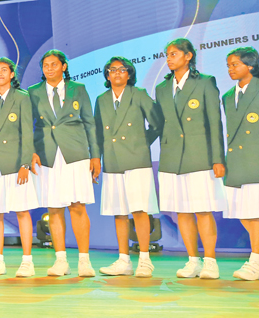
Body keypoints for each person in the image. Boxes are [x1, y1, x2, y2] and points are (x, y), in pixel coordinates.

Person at [155, 38, 225, 279]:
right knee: (181, 211)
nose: (169, 58)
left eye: (174, 53)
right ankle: (192, 260)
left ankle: (211, 262)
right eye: (167, 54)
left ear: (188, 56)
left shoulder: (205, 83)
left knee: (202, 210)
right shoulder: (162, 88)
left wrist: (218, 158)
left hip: (199, 155)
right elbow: (159, 123)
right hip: (171, 158)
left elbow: (214, 123)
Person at [27, 50, 100, 277]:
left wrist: (95, 155)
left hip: (75, 153)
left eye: (54, 64)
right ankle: (60, 260)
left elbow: (90, 123)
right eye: (45, 65)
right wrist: (30, 152)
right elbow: (26, 125)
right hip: (46, 154)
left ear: (64, 67)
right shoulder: (32, 92)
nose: (49, 68)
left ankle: (84, 260)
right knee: (54, 207)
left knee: (77, 206)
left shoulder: (78, 89)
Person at [94, 57, 163, 277]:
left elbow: (157, 123)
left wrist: (140, 142)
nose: (116, 73)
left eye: (121, 70)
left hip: (136, 160)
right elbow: (96, 133)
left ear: (129, 74)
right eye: (111, 70)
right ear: (107, 75)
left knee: (140, 210)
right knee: (119, 211)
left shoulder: (139, 94)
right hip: (112, 162)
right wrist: (96, 158)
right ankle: (124, 260)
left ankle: (145, 259)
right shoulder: (102, 99)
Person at [0, 57, 40, 277]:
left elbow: (28, 132)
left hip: (16, 163)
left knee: (22, 211)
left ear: (12, 74)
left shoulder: (22, 98)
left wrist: (25, 163)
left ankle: (27, 261)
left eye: (3, 70)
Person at [221, 47, 259, 281]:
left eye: (235, 64)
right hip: (236, 163)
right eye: (229, 65)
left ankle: (255, 264)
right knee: (244, 214)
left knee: (258, 213)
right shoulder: (227, 96)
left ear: (250, 66)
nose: (231, 69)